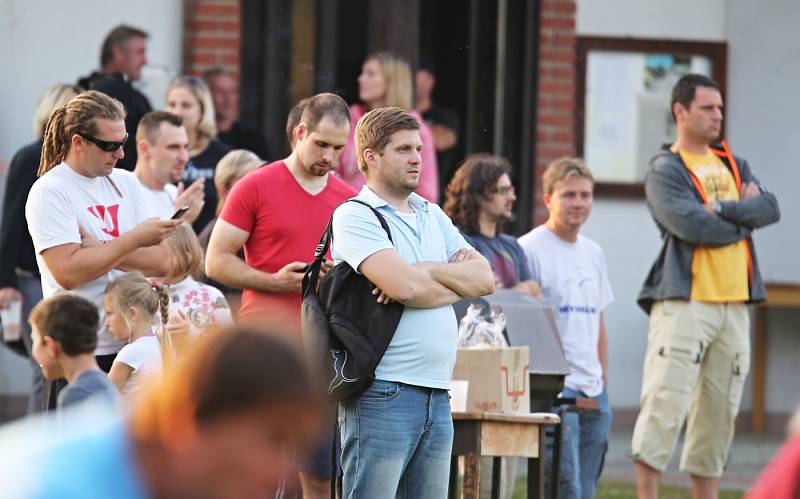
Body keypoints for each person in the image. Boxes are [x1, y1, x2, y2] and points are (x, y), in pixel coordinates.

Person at [331, 106, 494, 498]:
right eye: (404, 149)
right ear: (371, 156)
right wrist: (451, 281)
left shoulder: (432, 213)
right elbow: (402, 288)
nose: (418, 158)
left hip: (438, 394)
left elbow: (485, 279)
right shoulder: (356, 215)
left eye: (419, 148)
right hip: (383, 390)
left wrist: (425, 268)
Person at [632, 74, 780, 499]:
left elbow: (769, 207)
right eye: (708, 108)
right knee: (664, 404)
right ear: (681, 111)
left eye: (720, 108)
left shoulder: (733, 163)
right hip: (685, 302)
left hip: (735, 305)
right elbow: (690, 224)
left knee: (718, 415)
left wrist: (721, 209)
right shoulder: (666, 168)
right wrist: (741, 217)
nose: (718, 116)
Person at [206, 93, 355, 498]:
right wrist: (276, 280)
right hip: (265, 347)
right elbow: (215, 261)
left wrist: (334, 277)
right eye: (321, 144)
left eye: (339, 148)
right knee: (256, 469)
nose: (329, 156)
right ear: (299, 133)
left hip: (323, 351)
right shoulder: (255, 185)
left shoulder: (348, 200)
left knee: (320, 474)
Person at [0, 324, 326, 499]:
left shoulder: (181, 479)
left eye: (295, 447)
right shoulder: (54, 485)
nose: (286, 472)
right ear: (191, 417)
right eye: (273, 439)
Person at [26, 90, 180, 376]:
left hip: (130, 342)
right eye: (110, 145)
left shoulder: (125, 181)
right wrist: (133, 241)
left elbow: (162, 261)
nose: (120, 154)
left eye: (123, 143)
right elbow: (68, 273)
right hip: (79, 348)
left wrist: (100, 248)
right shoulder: (50, 191)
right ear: (78, 142)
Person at [518, 158, 614, 499]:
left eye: (585, 195)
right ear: (548, 199)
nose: (579, 203)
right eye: (569, 195)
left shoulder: (594, 253)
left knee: (586, 489)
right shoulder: (528, 249)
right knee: (563, 488)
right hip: (557, 391)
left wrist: (603, 381)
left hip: (594, 391)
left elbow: (598, 321)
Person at [0, 83, 79, 413]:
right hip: (31, 277)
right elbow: (11, 221)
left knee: (56, 363)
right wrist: (6, 281)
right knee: (43, 365)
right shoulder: (31, 156)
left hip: (59, 275)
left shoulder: (74, 163)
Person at [337, 52, 440, 202]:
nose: (361, 79)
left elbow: (427, 192)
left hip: (395, 217)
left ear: (393, 81)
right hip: (346, 209)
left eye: (371, 74)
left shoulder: (416, 129)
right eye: (362, 73)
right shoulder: (348, 120)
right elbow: (333, 175)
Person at [444, 154, 542, 297]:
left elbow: (536, 293)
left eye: (511, 190)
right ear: (478, 193)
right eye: (503, 191)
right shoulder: (459, 241)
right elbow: (478, 297)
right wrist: (522, 290)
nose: (512, 197)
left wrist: (502, 293)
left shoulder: (512, 245)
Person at [77, 25, 152, 172]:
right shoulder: (132, 98)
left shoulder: (82, 91)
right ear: (118, 53)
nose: (145, 60)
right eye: (140, 52)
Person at [197, 149, 263, 313]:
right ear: (222, 189)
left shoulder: (255, 227)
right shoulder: (215, 233)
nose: (258, 186)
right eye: (247, 180)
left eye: (260, 178)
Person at [29, 293, 119, 410]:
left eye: (34, 341)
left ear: (51, 346)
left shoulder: (74, 395)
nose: (33, 351)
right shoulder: (107, 384)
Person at [166, 76, 231, 233]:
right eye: (172, 104)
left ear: (202, 111)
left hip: (209, 244)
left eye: (186, 105)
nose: (177, 112)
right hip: (168, 244)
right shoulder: (158, 153)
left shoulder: (222, 155)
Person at [104, 272, 169, 406]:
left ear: (132, 313)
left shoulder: (130, 353)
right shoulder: (159, 343)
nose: (106, 322)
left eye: (110, 313)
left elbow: (103, 397)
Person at [162, 222, 232, 337]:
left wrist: (190, 334)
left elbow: (227, 341)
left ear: (186, 256)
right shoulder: (141, 295)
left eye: (161, 252)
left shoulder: (210, 296)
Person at [133, 111, 205, 222]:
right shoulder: (124, 194)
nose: (184, 158)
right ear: (144, 149)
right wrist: (182, 220)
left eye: (185, 147)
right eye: (173, 147)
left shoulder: (175, 194)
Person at [416, 60, 460, 200]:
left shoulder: (444, 116)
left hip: (436, 198)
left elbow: (443, 141)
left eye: (416, 74)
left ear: (430, 81)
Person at [204, 67, 271, 160]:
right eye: (220, 91)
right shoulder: (199, 138)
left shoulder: (251, 139)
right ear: (206, 95)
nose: (228, 99)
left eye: (232, 92)